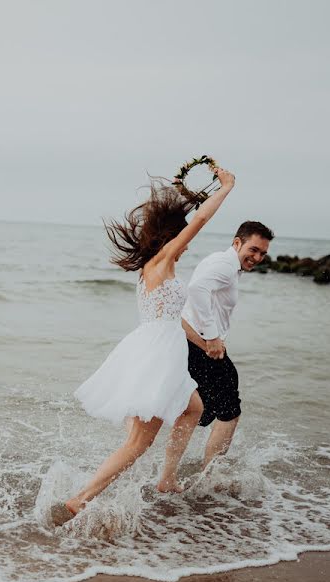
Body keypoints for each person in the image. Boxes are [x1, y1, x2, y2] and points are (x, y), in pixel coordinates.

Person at [54, 166, 236, 524]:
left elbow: (172, 320)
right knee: (139, 443)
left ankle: (166, 480)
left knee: (193, 408)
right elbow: (198, 221)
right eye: (182, 239)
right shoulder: (161, 262)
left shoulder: (157, 269)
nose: (186, 246)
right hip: (155, 358)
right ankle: (82, 498)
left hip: (162, 349)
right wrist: (226, 188)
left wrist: (205, 342)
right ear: (171, 238)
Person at [154, 220, 274, 493]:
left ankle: (168, 477)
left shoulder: (224, 263)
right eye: (253, 250)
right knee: (229, 411)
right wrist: (211, 337)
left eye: (262, 253)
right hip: (200, 345)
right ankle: (209, 476)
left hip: (192, 343)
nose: (257, 257)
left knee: (197, 412)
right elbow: (196, 290)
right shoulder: (225, 266)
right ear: (237, 243)